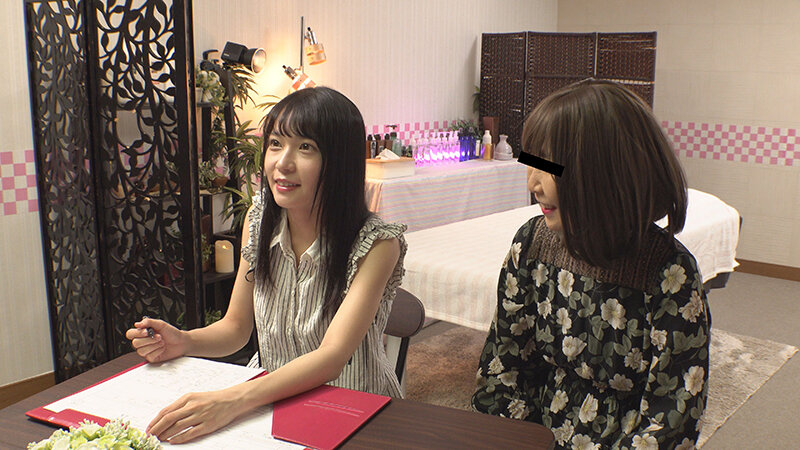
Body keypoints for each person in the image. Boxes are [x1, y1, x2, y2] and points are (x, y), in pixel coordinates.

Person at [126, 86, 406, 444]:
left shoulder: (376, 243)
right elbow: (236, 327)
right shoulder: (259, 220)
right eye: (275, 143)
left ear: (340, 161)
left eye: (306, 147)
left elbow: (331, 357)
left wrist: (231, 401)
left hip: (356, 411)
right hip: (275, 403)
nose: (282, 163)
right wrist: (183, 341)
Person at [472, 79, 710, 449]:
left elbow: (670, 421)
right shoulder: (532, 244)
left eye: (547, 167)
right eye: (532, 163)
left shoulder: (670, 274)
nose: (533, 184)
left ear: (603, 173)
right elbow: (504, 366)